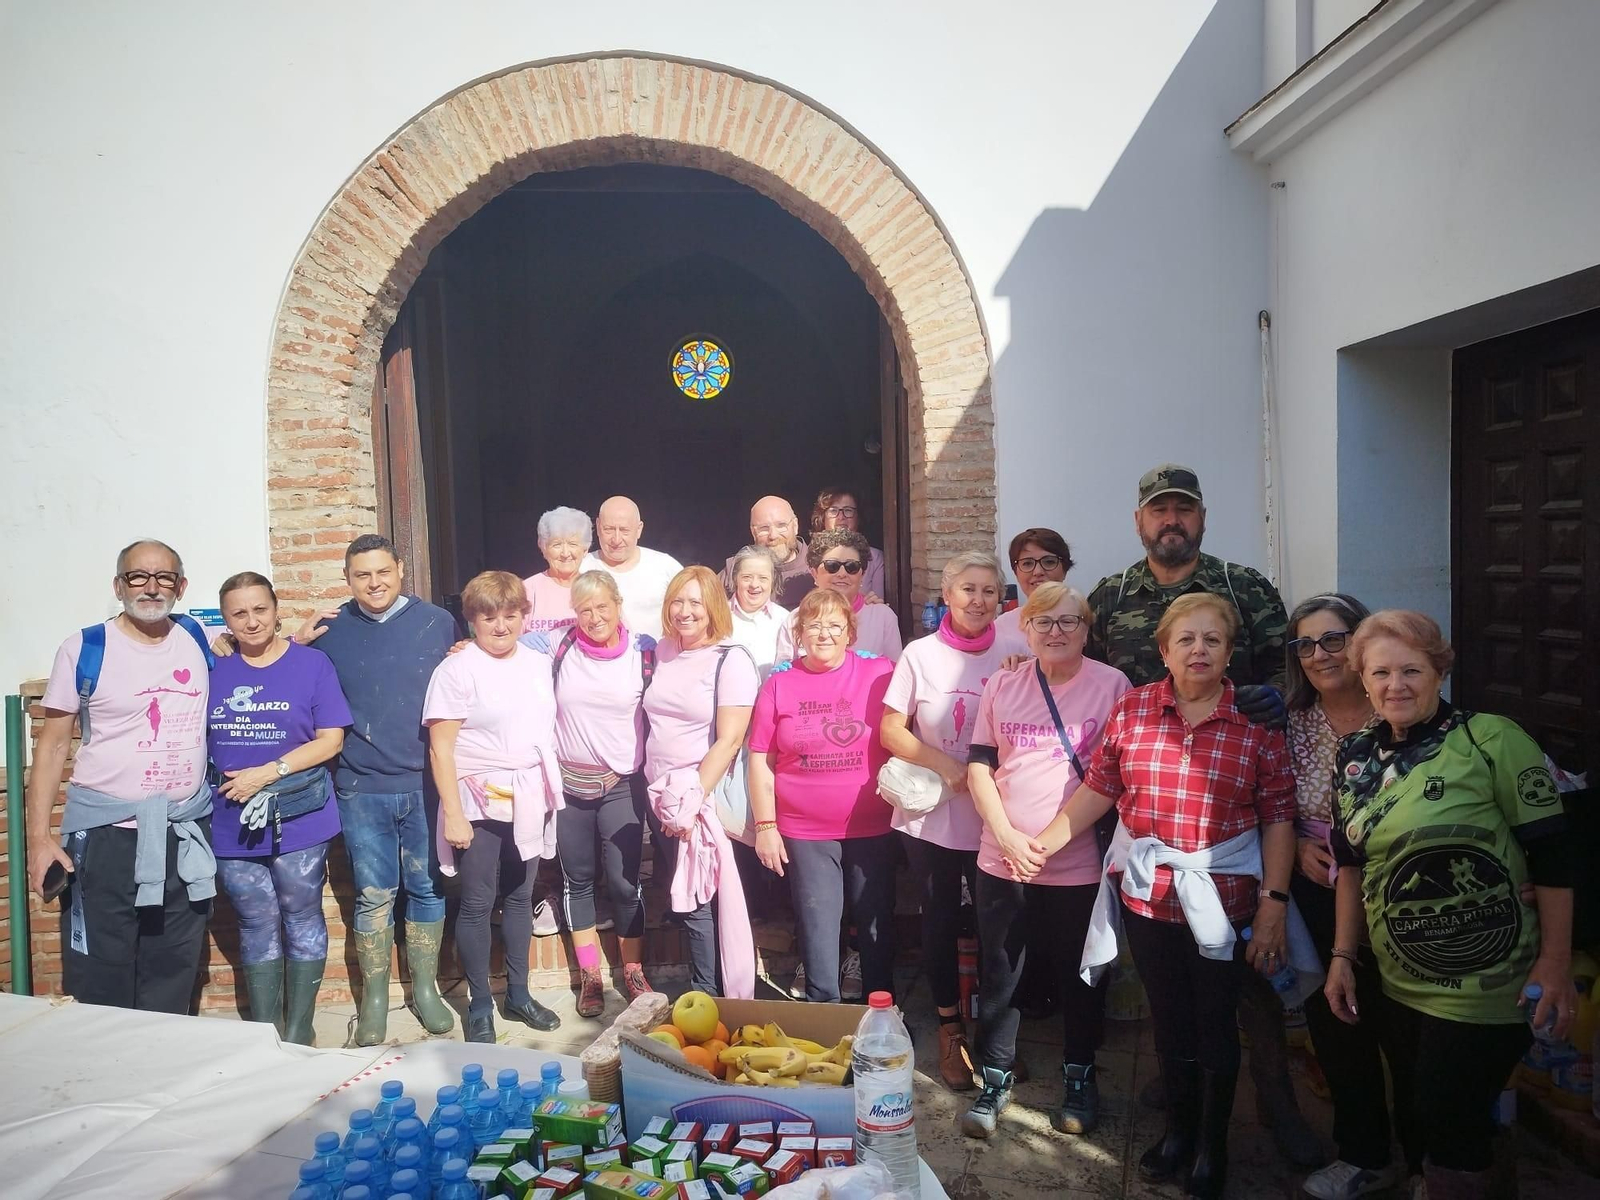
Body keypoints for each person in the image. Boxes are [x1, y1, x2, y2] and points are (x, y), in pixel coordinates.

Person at [1023, 593, 1297, 1200]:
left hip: (1222, 902)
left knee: (1216, 1025)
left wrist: (1275, 904)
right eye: (1186, 640)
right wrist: (1039, 846)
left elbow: (1279, 817)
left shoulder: (1255, 723)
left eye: (1213, 640)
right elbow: (1100, 788)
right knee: (1168, 1021)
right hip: (1149, 899)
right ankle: (1178, 1131)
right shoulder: (1135, 709)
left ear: (1229, 651)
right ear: (1164, 650)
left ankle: (1211, 1145)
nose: (1199, 650)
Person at [1084, 462, 1317, 1166]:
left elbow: (1291, 667)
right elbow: (1080, 670)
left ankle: (1275, 1105)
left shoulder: (1244, 587)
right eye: (1159, 511)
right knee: (1173, 991)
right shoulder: (1111, 594)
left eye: (1183, 509)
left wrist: (1281, 704)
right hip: (1148, 810)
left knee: (1248, 990)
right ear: (1140, 521)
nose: (1171, 520)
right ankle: (1181, 1105)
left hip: (1236, 816)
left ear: (1202, 517)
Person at [1327, 610, 1575, 1200]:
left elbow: (1557, 859)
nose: (1396, 685)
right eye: (1381, 672)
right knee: (1420, 1106)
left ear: (1440, 670)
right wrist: (1341, 954)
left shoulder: (1491, 739)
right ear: (1361, 679)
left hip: (1489, 976)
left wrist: (1556, 963)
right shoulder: (1354, 756)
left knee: (1449, 1109)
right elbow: (1352, 865)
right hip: (1397, 976)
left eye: (1412, 669)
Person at [959, 582, 1131, 1137]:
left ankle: (1079, 1075)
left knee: (1082, 976)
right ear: (1025, 629)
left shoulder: (1112, 686)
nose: (1056, 632)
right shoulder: (1004, 683)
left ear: (1087, 630)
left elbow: (1111, 778)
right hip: (1001, 858)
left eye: (1069, 622)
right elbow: (981, 766)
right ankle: (995, 1075)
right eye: (1044, 622)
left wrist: (1049, 842)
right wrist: (1006, 835)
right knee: (1002, 974)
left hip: (1077, 864)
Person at [28, 539, 215, 1013]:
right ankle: (107, 1072)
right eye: (138, 576)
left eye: (164, 578)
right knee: (101, 968)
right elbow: (51, 746)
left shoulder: (196, 636)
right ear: (118, 585)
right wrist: (38, 838)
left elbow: (260, 647)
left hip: (183, 833)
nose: (151, 588)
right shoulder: (85, 648)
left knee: (174, 963)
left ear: (181, 586)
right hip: (105, 837)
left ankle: (163, 1072)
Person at [290, 534, 459, 1045]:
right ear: (348, 579)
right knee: (372, 894)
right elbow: (285, 672)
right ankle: (376, 999)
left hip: (425, 783)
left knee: (427, 887)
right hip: (361, 785)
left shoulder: (436, 623)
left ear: (401, 570)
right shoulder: (330, 631)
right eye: (362, 575)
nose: (374, 583)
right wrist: (290, 644)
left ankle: (426, 989)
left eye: (382, 571)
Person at [1283, 594, 1417, 1200]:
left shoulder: (1400, 711)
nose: (1319, 654)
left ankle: (1426, 1163)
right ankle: (1363, 1152)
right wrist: (1297, 849)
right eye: (1305, 644)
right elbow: (1272, 802)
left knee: (1409, 1033)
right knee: (1337, 1027)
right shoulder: (1291, 722)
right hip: (1317, 895)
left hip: (1402, 895)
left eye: (1333, 639)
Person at [878, 550, 1009, 1092]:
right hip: (931, 813)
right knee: (938, 921)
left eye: (988, 591)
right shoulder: (919, 654)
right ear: (947, 596)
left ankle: (993, 1037)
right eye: (967, 590)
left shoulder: (1018, 650)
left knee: (993, 925)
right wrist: (949, 766)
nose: (977, 601)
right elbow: (891, 731)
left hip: (994, 813)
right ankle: (949, 1032)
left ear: (1001, 600)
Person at [206, 572, 350, 1044]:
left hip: (300, 813)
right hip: (231, 818)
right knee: (255, 918)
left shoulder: (312, 665)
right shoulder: (212, 666)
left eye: (260, 609)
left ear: (276, 609)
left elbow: (331, 740)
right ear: (224, 620)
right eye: (239, 613)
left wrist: (270, 771)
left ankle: (299, 1028)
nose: (251, 621)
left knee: (302, 911)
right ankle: (267, 1031)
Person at [424, 570, 564, 1042]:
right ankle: (480, 1004)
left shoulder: (537, 661)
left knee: (521, 897)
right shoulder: (456, 670)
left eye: (510, 615)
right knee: (479, 902)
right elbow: (441, 749)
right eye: (488, 617)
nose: (500, 626)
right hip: (479, 798)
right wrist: (455, 815)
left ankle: (519, 995)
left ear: (525, 616)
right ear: (472, 621)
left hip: (527, 794)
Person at [748, 589, 897, 1002]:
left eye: (834, 625)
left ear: (850, 632)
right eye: (814, 625)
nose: (824, 633)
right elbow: (760, 759)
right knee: (818, 924)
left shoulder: (881, 672)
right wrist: (766, 825)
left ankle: (882, 1017)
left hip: (875, 825)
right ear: (799, 633)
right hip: (805, 830)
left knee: (876, 925)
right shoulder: (779, 684)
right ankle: (824, 1017)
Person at [546, 569, 659, 1017]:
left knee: (625, 881)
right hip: (569, 785)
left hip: (620, 784)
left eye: (602, 607)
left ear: (618, 605)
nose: (594, 617)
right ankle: (591, 974)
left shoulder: (644, 651)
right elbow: (500, 647)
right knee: (578, 882)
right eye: (584, 609)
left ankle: (632, 969)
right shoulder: (555, 645)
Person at [643, 566, 760, 995]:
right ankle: (702, 995)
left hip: (698, 799)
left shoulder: (731, 660)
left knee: (698, 900)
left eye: (695, 602)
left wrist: (690, 801)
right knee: (683, 895)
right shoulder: (660, 651)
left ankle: (709, 998)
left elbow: (729, 741)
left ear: (713, 607)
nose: (685, 611)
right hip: (658, 795)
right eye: (678, 601)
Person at [775, 530, 902, 662]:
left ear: (862, 574)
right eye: (832, 566)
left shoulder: (883, 617)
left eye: (851, 567)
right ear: (814, 573)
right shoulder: (795, 620)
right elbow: (784, 675)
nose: (842, 573)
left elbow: (894, 672)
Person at [580, 496, 682, 639]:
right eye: (608, 529)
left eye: (624, 530)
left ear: (639, 529)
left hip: (656, 658)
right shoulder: (581, 567)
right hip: (596, 659)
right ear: (597, 526)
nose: (616, 539)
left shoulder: (665, 566)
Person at [722, 496, 812, 609]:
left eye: (781, 526)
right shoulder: (735, 569)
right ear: (753, 532)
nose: (773, 536)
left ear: (795, 526)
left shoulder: (820, 568)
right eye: (764, 528)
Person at [993, 528, 1072, 650]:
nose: (1038, 572)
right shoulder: (1001, 628)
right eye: (1027, 563)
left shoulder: (1083, 620)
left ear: (1065, 569)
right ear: (1016, 572)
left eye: (1049, 562)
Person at [523, 506, 591, 635]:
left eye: (573, 544)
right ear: (542, 547)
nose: (565, 553)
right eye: (557, 544)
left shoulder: (597, 589)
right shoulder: (527, 590)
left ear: (585, 548)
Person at [725, 544, 789, 680]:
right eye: (747, 577)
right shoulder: (718, 615)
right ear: (735, 578)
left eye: (763, 578)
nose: (754, 585)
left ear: (773, 581)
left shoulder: (785, 620)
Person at [810, 486, 885, 601]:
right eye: (833, 510)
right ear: (822, 517)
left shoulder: (875, 558)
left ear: (858, 517)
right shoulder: (810, 555)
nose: (841, 517)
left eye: (848, 510)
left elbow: (877, 600)